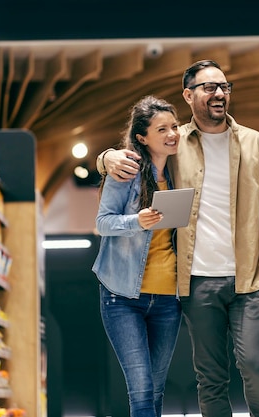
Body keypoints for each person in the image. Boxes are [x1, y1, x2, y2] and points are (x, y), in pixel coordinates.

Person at [96, 60, 259, 417]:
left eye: (224, 87)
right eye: (209, 87)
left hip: (251, 277)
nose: (219, 94)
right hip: (196, 281)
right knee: (210, 378)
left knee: (257, 367)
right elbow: (137, 151)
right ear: (188, 95)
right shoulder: (177, 144)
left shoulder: (255, 143)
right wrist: (106, 158)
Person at [91, 95, 182, 417]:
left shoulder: (179, 172)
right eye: (162, 129)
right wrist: (136, 221)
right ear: (142, 138)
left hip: (168, 298)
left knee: (156, 390)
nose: (172, 134)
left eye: (174, 126)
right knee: (141, 390)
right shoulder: (125, 171)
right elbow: (102, 224)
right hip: (123, 296)